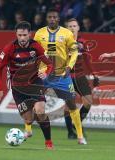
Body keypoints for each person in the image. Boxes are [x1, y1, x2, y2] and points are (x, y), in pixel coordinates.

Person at [0, 21, 54, 149]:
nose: (22, 38)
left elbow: (49, 63)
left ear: (29, 34)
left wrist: (46, 73)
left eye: (24, 35)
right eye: (19, 35)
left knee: (41, 111)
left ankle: (48, 142)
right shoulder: (9, 48)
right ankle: (29, 127)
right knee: (28, 119)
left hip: (34, 82)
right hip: (18, 86)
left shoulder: (36, 47)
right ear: (16, 34)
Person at [33, 8, 87, 145]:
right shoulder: (39, 34)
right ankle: (28, 130)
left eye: (54, 17)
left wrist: (69, 66)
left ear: (58, 19)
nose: (52, 19)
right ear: (47, 19)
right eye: (49, 17)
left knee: (71, 105)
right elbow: (33, 52)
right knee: (35, 104)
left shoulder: (66, 33)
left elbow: (74, 52)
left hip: (62, 75)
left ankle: (80, 136)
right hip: (44, 74)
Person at [64, 18, 99, 139]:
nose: (72, 28)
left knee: (88, 102)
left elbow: (87, 60)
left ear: (78, 27)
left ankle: (76, 122)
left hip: (80, 76)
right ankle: (70, 132)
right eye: (70, 26)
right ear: (66, 29)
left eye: (74, 26)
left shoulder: (83, 42)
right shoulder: (62, 42)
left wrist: (94, 75)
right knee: (69, 105)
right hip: (66, 77)